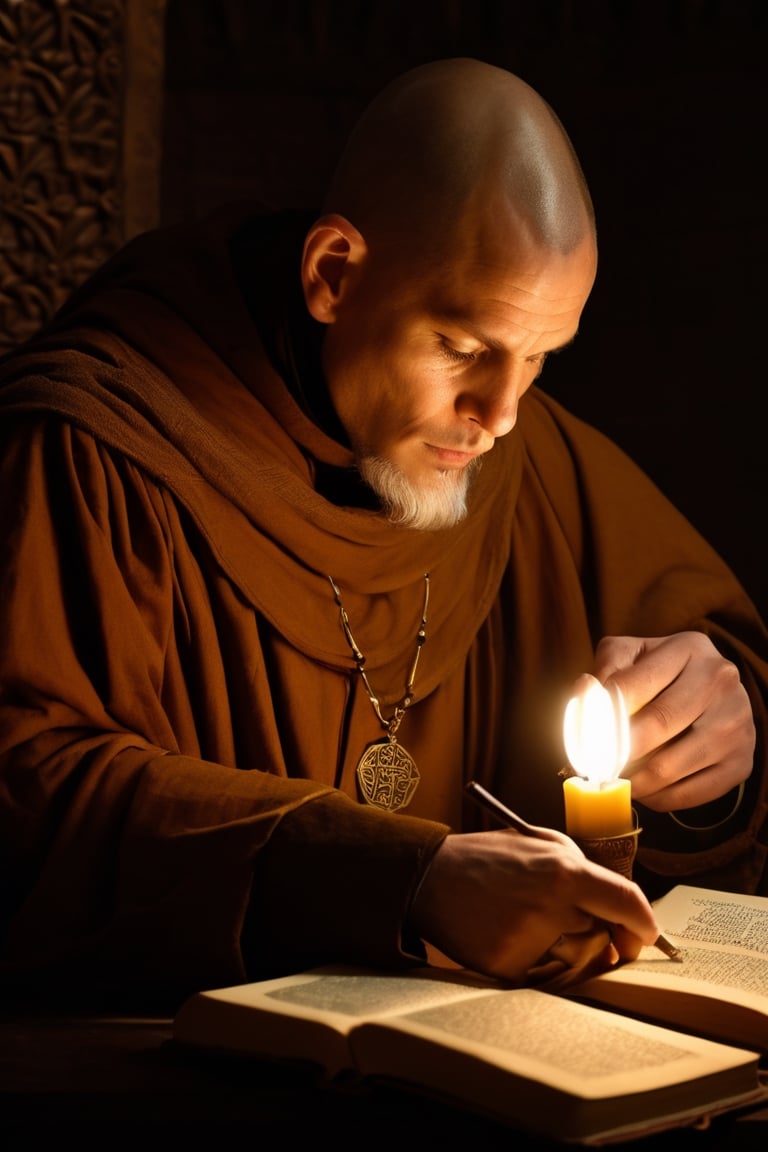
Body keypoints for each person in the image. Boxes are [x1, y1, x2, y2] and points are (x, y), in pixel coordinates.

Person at [0, 58, 766, 1009]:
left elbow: (727, 665)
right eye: (463, 347)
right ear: (333, 276)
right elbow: (30, 795)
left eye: (539, 359)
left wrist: (720, 742)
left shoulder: (509, 454)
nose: (502, 413)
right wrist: (402, 879)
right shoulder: (97, 447)